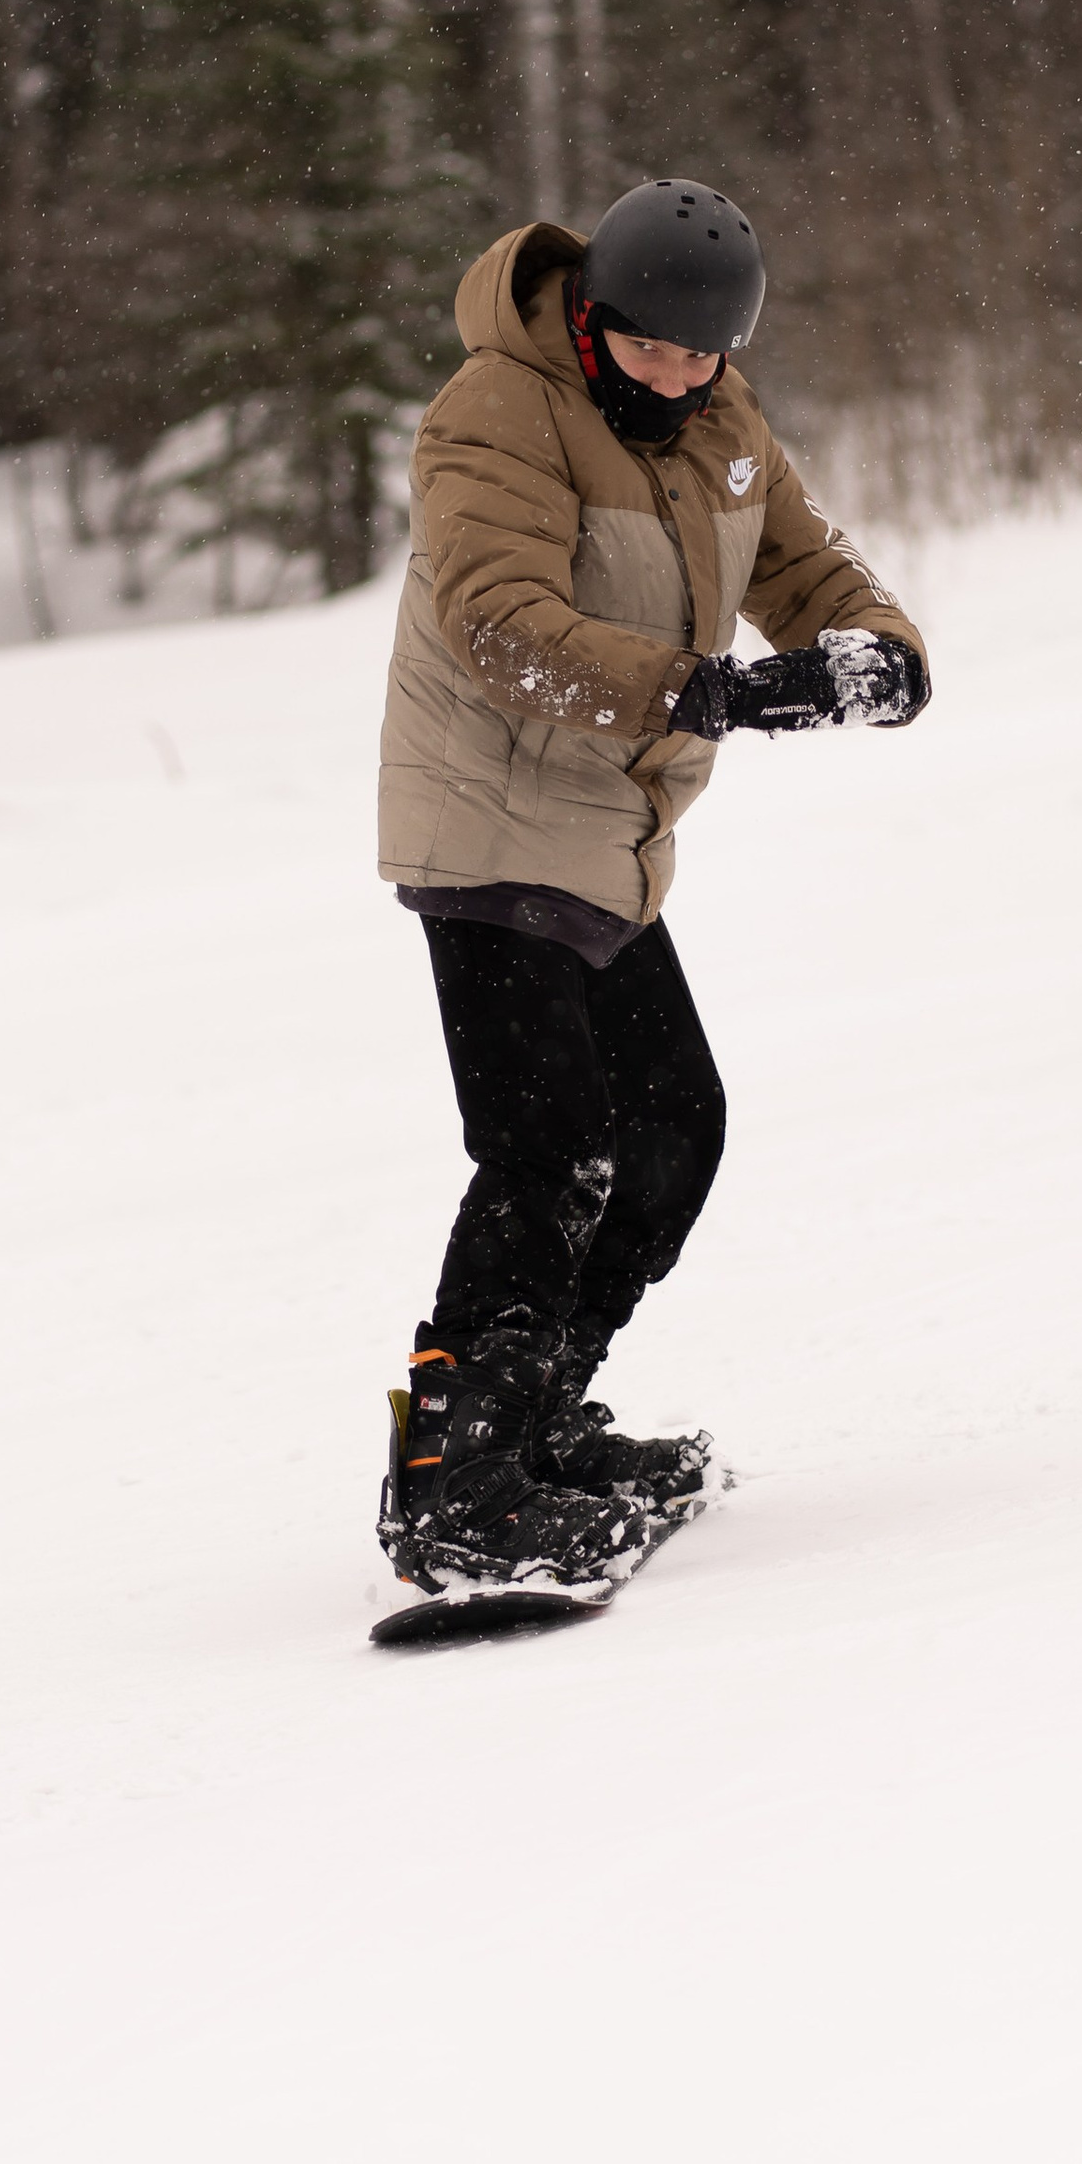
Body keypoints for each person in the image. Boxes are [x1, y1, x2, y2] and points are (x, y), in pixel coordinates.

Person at [376, 180, 929, 1595]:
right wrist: (708, 692)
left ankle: (537, 1423)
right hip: (488, 817)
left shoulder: (723, 425)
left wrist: (878, 651)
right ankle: (453, 1486)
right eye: (652, 350)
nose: (680, 380)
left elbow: (807, 565)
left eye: (706, 356)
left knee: (674, 1130)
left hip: (606, 834)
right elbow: (502, 625)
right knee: (548, 1147)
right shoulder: (497, 410)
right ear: (591, 317)